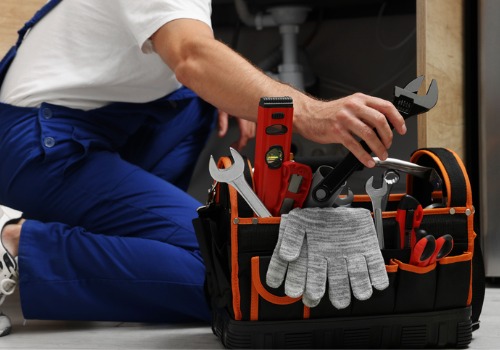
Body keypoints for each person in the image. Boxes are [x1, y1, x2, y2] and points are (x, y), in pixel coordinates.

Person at [0, 0, 406, 332]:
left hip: (79, 129)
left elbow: (183, 54)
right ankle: (16, 244)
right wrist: (311, 113)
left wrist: (238, 90)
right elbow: (192, 56)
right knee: (226, 275)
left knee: (202, 100)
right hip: (41, 144)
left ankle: (126, 252)